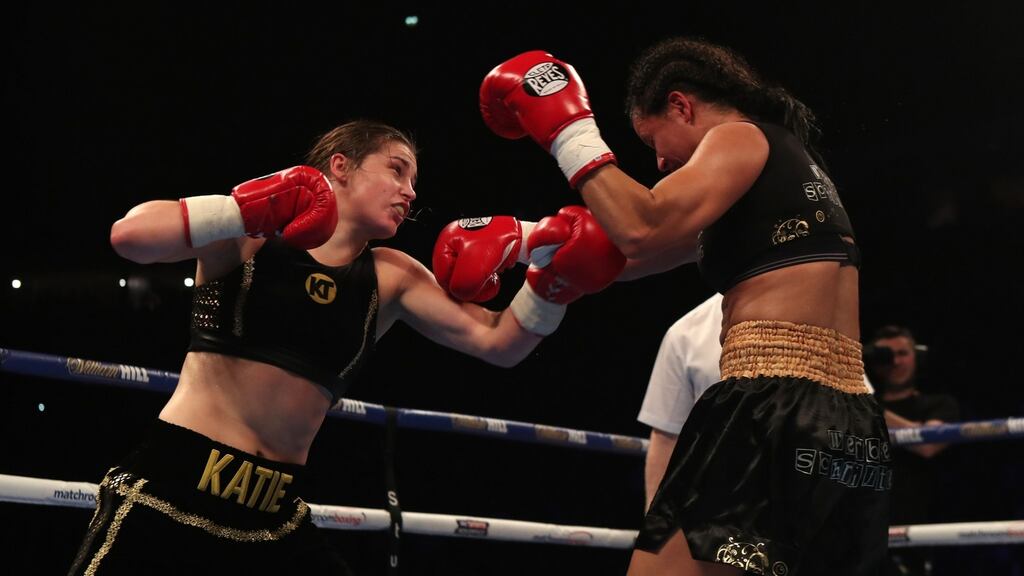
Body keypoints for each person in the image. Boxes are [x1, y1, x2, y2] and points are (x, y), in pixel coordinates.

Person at [68, 119, 625, 575]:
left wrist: (553, 284)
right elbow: (130, 236)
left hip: (274, 512)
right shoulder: (254, 234)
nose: (411, 191)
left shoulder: (392, 276)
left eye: (414, 179)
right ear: (341, 166)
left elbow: (500, 342)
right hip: (177, 483)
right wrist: (243, 207)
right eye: (396, 169)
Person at [480, 39, 891, 575]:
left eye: (652, 138)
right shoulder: (786, 168)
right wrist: (531, 240)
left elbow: (643, 224)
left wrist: (568, 131)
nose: (656, 160)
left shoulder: (738, 138)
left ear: (681, 105)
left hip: (772, 403)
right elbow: (630, 254)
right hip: (847, 424)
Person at [867, 325, 960, 576]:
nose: (896, 362)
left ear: (917, 356)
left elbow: (927, 445)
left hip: (920, 531)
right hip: (863, 530)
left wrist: (867, 406)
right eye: (888, 355)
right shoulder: (853, 408)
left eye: (903, 353)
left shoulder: (938, 405)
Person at [637, 293, 723, 513]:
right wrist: (654, 525)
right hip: (712, 507)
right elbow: (667, 437)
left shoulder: (818, 313)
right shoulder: (687, 333)